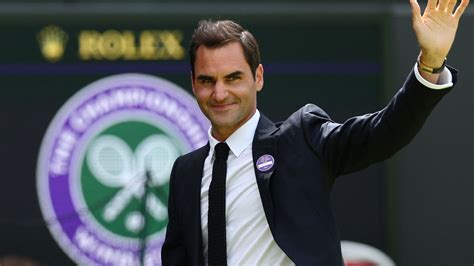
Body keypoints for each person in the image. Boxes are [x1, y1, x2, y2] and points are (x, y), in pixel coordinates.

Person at [162, 0, 469, 265]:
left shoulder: (300, 138)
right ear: (193, 83)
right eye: (207, 80)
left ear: (258, 77)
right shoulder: (186, 172)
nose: (219, 93)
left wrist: (430, 64)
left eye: (233, 78)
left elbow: (384, 132)